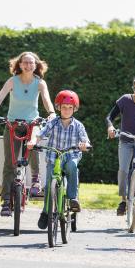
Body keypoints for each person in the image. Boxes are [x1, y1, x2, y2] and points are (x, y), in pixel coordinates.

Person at [0, 51, 56, 216]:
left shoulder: (40, 83)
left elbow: (46, 100)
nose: (28, 65)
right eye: (25, 62)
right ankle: (6, 201)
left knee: (32, 142)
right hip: (13, 124)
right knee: (9, 162)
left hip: (33, 123)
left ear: (36, 65)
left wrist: (51, 112)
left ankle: (36, 179)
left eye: (32, 63)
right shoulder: (12, 81)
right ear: (19, 64)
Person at [26, 90, 91, 230]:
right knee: (50, 185)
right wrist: (33, 141)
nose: (67, 110)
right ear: (58, 108)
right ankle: (45, 212)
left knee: (72, 167)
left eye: (70, 108)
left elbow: (85, 139)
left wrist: (84, 145)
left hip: (70, 156)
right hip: (53, 157)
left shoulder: (78, 125)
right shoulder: (53, 123)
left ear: (74, 109)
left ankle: (73, 198)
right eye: (64, 107)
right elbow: (40, 133)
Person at [106, 77, 135, 216]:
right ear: (133, 89)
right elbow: (109, 116)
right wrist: (110, 127)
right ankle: (123, 200)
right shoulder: (125, 100)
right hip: (126, 138)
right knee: (123, 169)